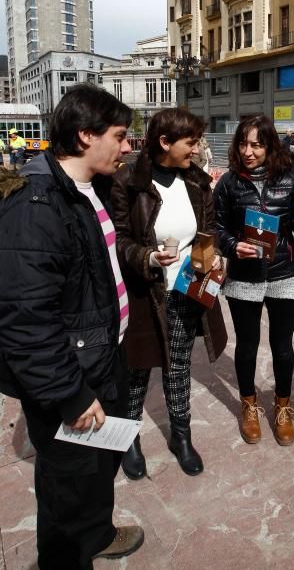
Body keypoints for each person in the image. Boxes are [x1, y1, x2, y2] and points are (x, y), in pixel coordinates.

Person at [0, 84, 144, 569]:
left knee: (97, 471)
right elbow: (26, 323)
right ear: (86, 135)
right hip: (72, 378)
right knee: (67, 488)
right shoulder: (36, 208)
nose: (128, 146)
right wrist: (70, 394)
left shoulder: (93, 188)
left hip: (103, 359)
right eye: (121, 136)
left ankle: (97, 534)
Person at [111, 108, 227, 480]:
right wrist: (148, 257)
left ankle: (181, 436)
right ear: (165, 142)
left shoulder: (197, 181)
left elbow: (209, 231)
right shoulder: (128, 181)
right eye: (190, 142)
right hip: (145, 291)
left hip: (187, 289)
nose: (196, 149)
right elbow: (121, 240)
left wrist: (216, 257)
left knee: (178, 365)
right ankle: (129, 438)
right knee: (138, 368)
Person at [213, 115, 294, 446]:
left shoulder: (288, 181)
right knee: (246, 347)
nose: (249, 151)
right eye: (244, 143)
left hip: (283, 274)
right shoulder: (228, 184)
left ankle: (283, 406)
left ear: (269, 146)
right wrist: (234, 246)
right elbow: (218, 230)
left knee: (283, 347)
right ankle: (249, 404)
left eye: (257, 145)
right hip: (244, 277)